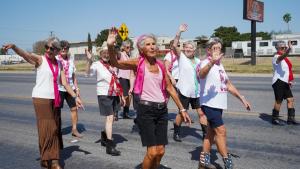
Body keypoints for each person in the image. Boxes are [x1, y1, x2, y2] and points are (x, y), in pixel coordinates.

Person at [107, 28, 192, 169]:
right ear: (141, 48)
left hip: (162, 111)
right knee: (152, 152)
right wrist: (110, 46)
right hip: (146, 111)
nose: (152, 46)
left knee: (161, 151)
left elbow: (170, 88)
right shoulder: (138, 62)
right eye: (148, 44)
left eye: (153, 44)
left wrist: (182, 109)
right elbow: (116, 64)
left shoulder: (160, 65)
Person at [2, 37, 83, 169]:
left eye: (52, 48)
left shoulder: (59, 63)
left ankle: (45, 159)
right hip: (41, 98)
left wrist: (75, 97)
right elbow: (26, 55)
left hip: (55, 99)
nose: (48, 50)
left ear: (57, 50)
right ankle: (55, 161)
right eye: (47, 47)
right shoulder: (40, 59)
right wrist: (14, 47)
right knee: (49, 128)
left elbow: (65, 83)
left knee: (54, 128)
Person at [197, 37, 251, 169]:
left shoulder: (220, 65)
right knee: (221, 131)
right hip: (209, 103)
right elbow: (201, 75)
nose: (218, 51)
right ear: (209, 50)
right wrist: (212, 62)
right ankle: (227, 162)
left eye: (219, 48)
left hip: (219, 104)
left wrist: (241, 98)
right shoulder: (204, 63)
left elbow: (227, 84)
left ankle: (203, 161)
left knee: (211, 132)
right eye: (214, 48)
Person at [85, 41, 124, 156]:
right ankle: (110, 145)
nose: (106, 55)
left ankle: (104, 136)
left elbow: (117, 80)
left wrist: (121, 95)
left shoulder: (114, 64)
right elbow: (87, 74)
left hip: (114, 93)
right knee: (110, 118)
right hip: (104, 94)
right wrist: (88, 60)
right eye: (104, 53)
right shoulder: (97, 64)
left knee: (110, 118)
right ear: (100, 53)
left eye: (108, 53)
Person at [171, 24, 208, 142]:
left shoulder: (198, 61)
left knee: (201, 113)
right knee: (182, 113)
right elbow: (174, 45)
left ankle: (205, 134)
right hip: (184, 91)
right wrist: (179, 32)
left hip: (196, 92)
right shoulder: (181, 57)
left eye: (190, 48)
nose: (187, 49)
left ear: (194, 50)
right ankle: (176, 131)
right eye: (186, 47)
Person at [56, 40, 83, 138]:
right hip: (59, 88)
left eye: (66, 48)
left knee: (74, 109)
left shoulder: (71, 60)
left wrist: (77, 88)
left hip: (70, 88)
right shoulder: (56, 59)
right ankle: (57, 130)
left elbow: (73, 76)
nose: (64, 49)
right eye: (62, 48)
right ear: (59, 49)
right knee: (57, 110)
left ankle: (74, 130)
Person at [271, 40, 298, 125]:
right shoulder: (276, 57)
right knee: (279, 101)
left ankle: (291, 119)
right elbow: (282, 57)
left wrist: (289, 81)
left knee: (290, 99)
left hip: (285, 82)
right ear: (278, 48)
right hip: (278, 81)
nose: (284, 49)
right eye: (283, 48)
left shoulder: (285, 58)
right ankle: (274, 118)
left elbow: (287, 71)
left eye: (285, 47)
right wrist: (289, 49)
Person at [117, 40, 133, 120]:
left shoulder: (128, 55)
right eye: (127, 47)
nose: (129, 48)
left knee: (129, 96)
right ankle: (115, 112)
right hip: (122, 77)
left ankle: (125, 113)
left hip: (129, 78)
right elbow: (116, 54)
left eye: (130, 47)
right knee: (125, 96)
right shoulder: (121, 54)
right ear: (123, 47)